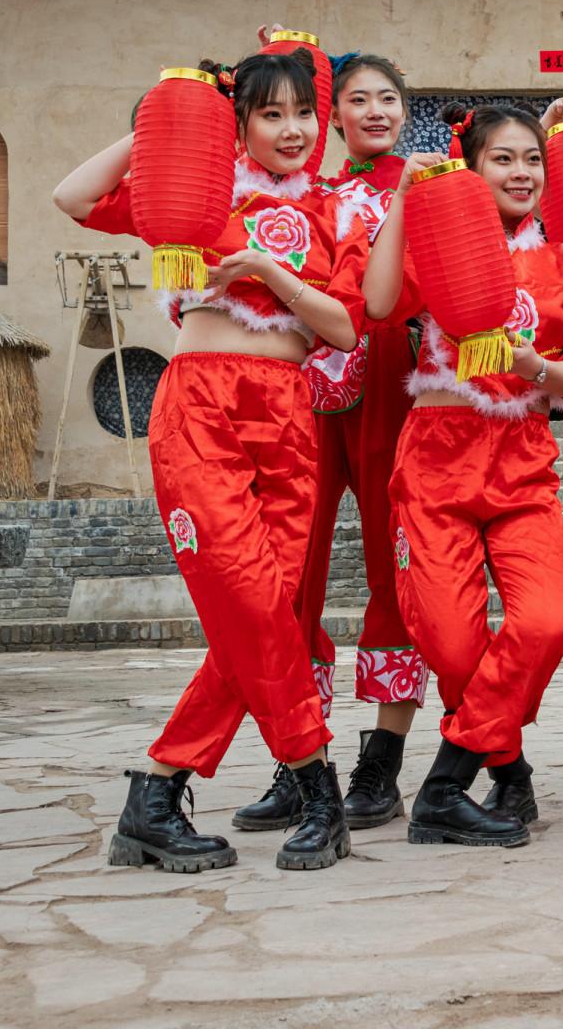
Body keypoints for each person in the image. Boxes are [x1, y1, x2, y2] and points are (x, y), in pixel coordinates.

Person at [54, 50, 366, 871]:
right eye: (270, 114)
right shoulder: (198, 193)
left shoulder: (337, 209)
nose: (292, 130)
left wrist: (266, 270)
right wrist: (162, 121)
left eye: (304, 112)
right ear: (240, 122)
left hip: (287, 416)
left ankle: (154, 796)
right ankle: (319, 789)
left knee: (262, 611)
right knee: (252, 602)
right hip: (199, 408)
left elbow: (342, 327)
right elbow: (73, 197)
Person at [363, 101, 563, 847]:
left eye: (533, 159)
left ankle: (443, 785)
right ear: (471, 170)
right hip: (436, 453)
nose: (522, 173)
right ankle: (507, 768)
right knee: (452, 645)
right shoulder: (437, 247)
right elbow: (378, 303)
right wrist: (404, 197)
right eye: (503, 159)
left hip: (521, 455)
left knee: (546, 624)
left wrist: (535, 365)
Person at [232, 50, 426, 837]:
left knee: (394, 566)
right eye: (357, 99)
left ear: (404, 110)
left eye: (389, 98)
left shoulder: (430, 187)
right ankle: (298, 758)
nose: (375, 111)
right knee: (290, 573)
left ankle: (381, 761)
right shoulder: (309, 195)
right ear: (332, 115)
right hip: (303, 386)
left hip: (394, 379)